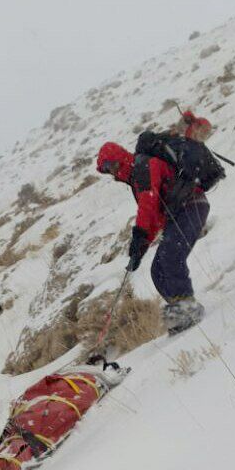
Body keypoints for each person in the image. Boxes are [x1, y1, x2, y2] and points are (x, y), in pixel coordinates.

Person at [96, 142, 210, 335]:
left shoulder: (143, 166)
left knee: (170, 256)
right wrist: (141, 249)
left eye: (112, 164)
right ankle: (180, 312)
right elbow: (156, 216)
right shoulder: (136, 178)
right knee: (157, 270)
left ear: (120, 157)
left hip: (191, 205)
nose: (112, 171)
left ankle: (187, 307)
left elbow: (148, 203)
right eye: (107, 169)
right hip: (177, 214)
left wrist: (138, 234)